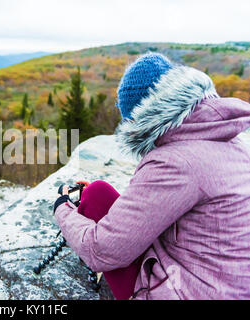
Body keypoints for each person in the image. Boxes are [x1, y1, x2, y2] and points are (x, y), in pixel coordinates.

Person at [54, 53, 250, 300]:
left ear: (139, 119)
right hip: (233, 287)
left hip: (191, 292)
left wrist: (63, 209)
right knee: (100, 193)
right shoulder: (234, 142)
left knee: (96, 196)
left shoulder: (173, 162)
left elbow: (102, 250)